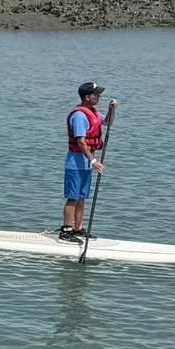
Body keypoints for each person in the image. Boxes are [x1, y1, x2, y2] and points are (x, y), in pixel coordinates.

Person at [60, 80, 107, 240]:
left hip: (86, 164)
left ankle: (78, 229)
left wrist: (112, 109)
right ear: (87, 97)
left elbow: (107, 122)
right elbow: (81, 141)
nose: (99, 97)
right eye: (96, 95)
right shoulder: (79, 116)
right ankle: (66, 231)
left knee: (81, 197)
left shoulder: (93, 112)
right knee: (73, 197)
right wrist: (94, 161)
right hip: (75, 163)